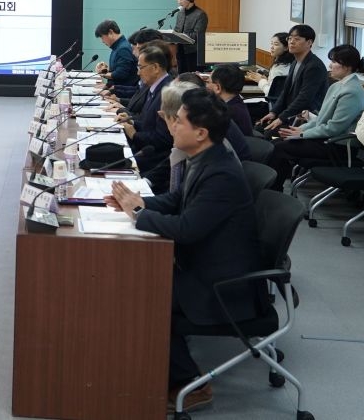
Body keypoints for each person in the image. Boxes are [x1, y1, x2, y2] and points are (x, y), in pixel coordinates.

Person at [107, 88, 262, 411]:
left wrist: (139, 214)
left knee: (144, 295)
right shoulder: (204, 157)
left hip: (221, 283)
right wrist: (136, 202)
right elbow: (177, 200)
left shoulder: (221, 173)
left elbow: (187, 229)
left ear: (201, 133)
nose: (171, 125)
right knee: (134, 284)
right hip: (203, 264)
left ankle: (191, 384)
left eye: (178, 121)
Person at [267, 44, 364, 190]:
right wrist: (300, 130)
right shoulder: (337, 86)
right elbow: (321, 118)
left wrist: (302, 134)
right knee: (276, 140)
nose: (330, 65)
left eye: (334, 62)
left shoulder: (352, 92)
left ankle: (273, 190)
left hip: (338, 146)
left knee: (280, 147)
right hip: (325, 140)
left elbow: (334, 128)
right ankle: (272, 188)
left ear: (347, 66)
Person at [257, 24, 328, 134]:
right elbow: (285, 92)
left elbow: (304, 98)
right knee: (259, 127)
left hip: (306, 118)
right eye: (289, 38)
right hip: (292, 113)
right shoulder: (295, 62)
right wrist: (274, 112)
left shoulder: (314, 66)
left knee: (267, 133)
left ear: (309, 42)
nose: (291, 42)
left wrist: (281, 118)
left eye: (297, 39)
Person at [118, 44, 173, 165]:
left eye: (141, 67)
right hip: (144, 149)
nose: (138, 73)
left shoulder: (167, 92)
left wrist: (134, 135)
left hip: (153, 159)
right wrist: (132, 122)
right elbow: (149, 123)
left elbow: (163, 139)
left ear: (155, 68)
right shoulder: (154, 86)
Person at [208, 64, 253, 135]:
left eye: (208, 82)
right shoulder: (236, 102)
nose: (206, 86)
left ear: (218, 87)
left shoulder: (224, 114)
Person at [93, 19, 138, 88]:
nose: (102, 41)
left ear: (110, 32)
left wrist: (102, 74)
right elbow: (119, 70)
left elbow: (121, 74)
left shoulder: (123, 48)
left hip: (122, 92)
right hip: (117, 90)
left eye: (102, 37)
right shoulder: (118, 46)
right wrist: (105, 70)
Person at [173, 0, 208, 72]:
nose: (178, 2)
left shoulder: (200, 14)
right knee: (182, 77)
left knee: (193, 78)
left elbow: (197, 35)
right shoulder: (180, 13)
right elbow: (177, 29)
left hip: (194, 53)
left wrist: (180, 36)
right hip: (180, 51)